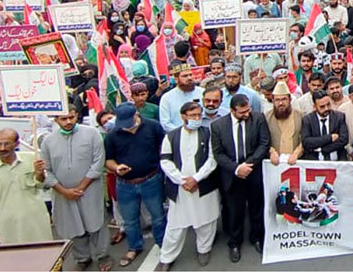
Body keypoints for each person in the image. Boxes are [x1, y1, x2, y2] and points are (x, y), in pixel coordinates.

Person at [41, 105, 112, 271]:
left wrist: (80, 187)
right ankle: (82, 258)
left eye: (71, 117)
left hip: (89, 190)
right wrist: (64, 191)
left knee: (96, 223)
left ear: (77, 116)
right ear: (56, 120)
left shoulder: (92, 134)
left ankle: (103, 255)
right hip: (63, 193)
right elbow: (47, 171)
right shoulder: (48, 141)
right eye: (63, 119)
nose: (68, 122)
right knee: (72, 225)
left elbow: (98, 162)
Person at [157, 102, 220, 270]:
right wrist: (182, 180)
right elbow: (165, 161)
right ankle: (167, 257)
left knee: (206, 221)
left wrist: (197, 179)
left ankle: (203, 250)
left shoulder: (208, 134)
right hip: (180, 188)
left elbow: (212, 160)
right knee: (175, 226)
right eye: (193, 116)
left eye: (199, 115)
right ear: (183, 116)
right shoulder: (171, 136)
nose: (197, 119)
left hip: (203, 185)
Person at [104, 102, 167, 268]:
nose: (126, 128)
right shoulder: (112, 135)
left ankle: (163, 245)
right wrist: (117, 167)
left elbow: (164, 148)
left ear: (136, 115)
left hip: (151, 179)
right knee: (130, 220)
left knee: (158, 216)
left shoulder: (153, 127)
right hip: (125, 185)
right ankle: (134, 247)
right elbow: (108, 160)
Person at [211, 94, 270, 262]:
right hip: (232, 175)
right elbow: (218, 153)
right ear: (232, 110)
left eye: (248, 110)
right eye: (242, 112)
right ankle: (235, 243)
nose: (247, 114)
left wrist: (248, 165)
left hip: (253, 172)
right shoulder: (218, 126)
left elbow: (264, 143)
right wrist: (237, 168)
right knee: (234, 211)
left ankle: (256, 237)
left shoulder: (258, 118)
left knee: (256, 209)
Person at [0, 129, 53, 245]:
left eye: (7, 143)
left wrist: (39, 173)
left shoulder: (32, 159)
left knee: (45, 257)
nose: (2, 148)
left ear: (17, 144)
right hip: (7, 227)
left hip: (36, 221)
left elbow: (41, 185)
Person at [301, 89, 349, 161]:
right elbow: (306, 142)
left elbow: (343, 139)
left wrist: (323, 149)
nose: (326, 108)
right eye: (322, 106)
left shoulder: (339, 117)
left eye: (328, 104)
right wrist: (329, 138)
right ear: (314, 107)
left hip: (338, 161)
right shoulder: (308, 120)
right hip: (315, 161)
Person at [265, 82, 304, 165]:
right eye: (277, 100)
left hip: (296, 163)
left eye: (284, 99)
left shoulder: (301, 116)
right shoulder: (267, 117)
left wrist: (296, 153)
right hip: (274, 164)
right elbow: (263, 141)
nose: (281, 103)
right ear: (273, 100)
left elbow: (305, 139)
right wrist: (271, 151)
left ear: (290, 99)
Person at [159, 63, 204, 132]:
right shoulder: (167, 98)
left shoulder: (202, 92)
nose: (189, 78)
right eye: (185, 76)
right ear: (176, 79)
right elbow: (165, 123)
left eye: (190, 75)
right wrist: (183, 132)